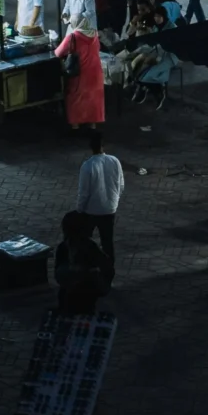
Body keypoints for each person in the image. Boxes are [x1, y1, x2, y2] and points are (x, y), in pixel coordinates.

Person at [74, 130, 124, 285]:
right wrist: (113, 201)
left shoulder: (87, 166)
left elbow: (84, 193)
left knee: (85, 240)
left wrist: (79, 210)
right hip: (110, 209)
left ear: (90, 146)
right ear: (104, 144)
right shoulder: (114, 161)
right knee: (107, 241)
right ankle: (109, 272)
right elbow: (121, 184)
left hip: (91, 210)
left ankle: (87, 269)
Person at [55, 23, 105, 133]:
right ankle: (92, 125)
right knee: (93, 98)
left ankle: (75, 127)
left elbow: (58, 52)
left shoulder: (73, 37)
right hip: (95, 73)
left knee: (75, 98)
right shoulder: (94, 35)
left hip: (80, 74)